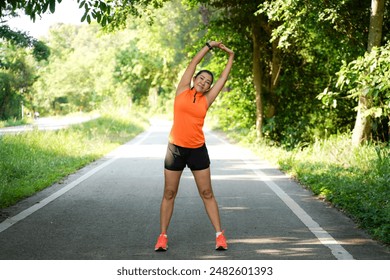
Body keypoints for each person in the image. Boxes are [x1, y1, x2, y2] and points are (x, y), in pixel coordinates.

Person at [154, 41, 234, 251]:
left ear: (209, 87)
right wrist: (209, 46)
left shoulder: (207, 99)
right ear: (195, 79)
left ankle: (219, 236)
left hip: (197, 150)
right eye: (201, 78)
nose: (204, 82)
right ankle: (162, 237)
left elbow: (223, 78)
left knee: (207, 193)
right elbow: (193, 63)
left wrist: (231, 56)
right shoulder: (182, 90)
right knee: (169, 193)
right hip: (175, 149)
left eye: (208, 82)